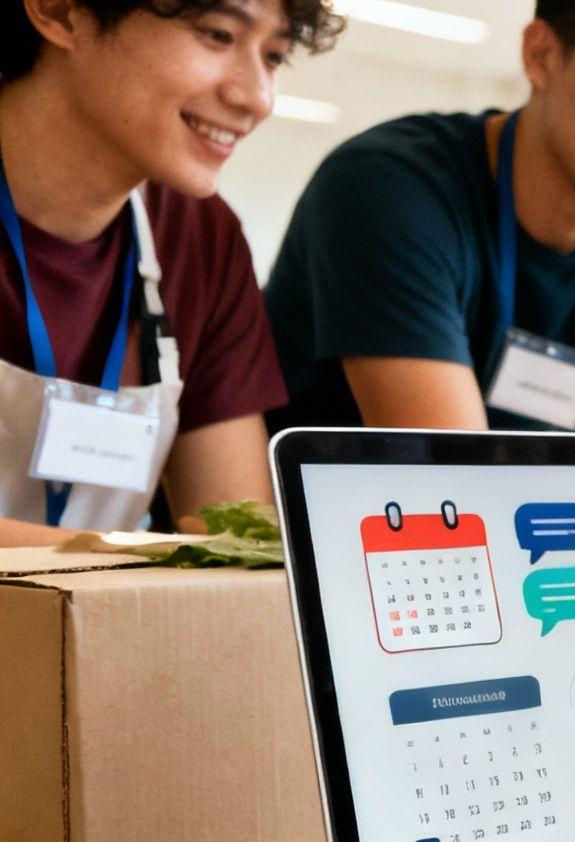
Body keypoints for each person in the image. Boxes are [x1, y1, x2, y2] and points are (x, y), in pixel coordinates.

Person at [263, 0, 575, 436]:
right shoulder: (389, 186)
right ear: (542, 56)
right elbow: (452, 484)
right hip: (299, 525)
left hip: (501, 522)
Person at [0, 0, 339, 546]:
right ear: (60, 11)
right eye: (216, 34)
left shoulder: (200, 236)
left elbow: (236, 538)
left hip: (103, 625)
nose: (256, 97)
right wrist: (131, 557)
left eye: (274, 56)